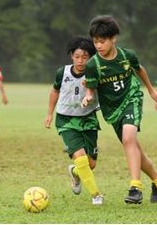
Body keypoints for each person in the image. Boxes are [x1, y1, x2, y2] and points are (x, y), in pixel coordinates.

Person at [82, 15, 157, 204]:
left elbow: (140, 69)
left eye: (102, 41)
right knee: (134, 148)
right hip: (112, 109)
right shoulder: (93, 65)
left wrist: (151, 90)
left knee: (129, 139)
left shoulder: (127, 55)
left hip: (131, 98)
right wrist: (88, 95)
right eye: (95, 42)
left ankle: (135, 187)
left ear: (113, 39)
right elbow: (91, 86)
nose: (98, 46)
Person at [45, 37, 103, 205]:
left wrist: (90, 95)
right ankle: (96, 194)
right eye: (77, 56)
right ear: (71, 56)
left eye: (85, 57)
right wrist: (49, 114)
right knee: (80, 157)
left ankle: (76, 173)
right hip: (66, 119)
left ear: (90, 58)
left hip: (89, 119)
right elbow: (54, 92)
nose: (80, 60)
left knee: (90, 164)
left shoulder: (95, 73)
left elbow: (100, 93)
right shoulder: (61, 72)